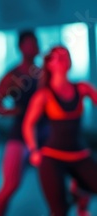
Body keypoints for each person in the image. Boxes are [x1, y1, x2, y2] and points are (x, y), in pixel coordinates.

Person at [23, 46, 97, 216]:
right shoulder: (44, 95)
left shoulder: (82, 88)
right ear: (49, 64)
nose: (63, 58)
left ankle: (78, 192)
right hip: (52, 156)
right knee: (59, 210)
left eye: (66, 55)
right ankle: (74, 197)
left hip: (80, 153)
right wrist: (33, 150)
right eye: (58, 56)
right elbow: (28, 124)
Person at [0, 31, 49, 216]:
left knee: (57, 184)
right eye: (31, 43)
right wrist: (13, 111)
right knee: (10, 185)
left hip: (45, 132)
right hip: (20, 133)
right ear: (21, 47)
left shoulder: (44, 73)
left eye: (37, 43)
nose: (35, 47)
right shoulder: (12, 76)